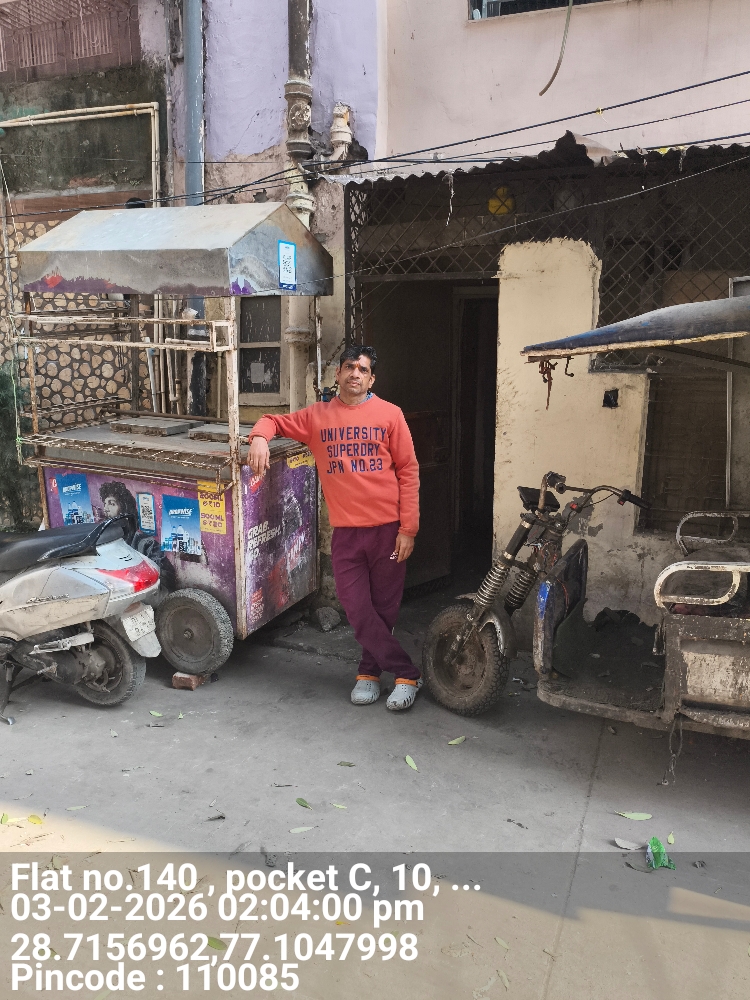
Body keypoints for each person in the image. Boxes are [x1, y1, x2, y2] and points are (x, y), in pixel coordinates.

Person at [248, 346, 421, 710]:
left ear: (371, 379)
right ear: (338, 374)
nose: (355, 373)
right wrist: (260, 438)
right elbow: (272, 420)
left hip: (388, 530)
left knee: (384, 608)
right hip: (346, 533)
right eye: (349, 367)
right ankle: (407, 671)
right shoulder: (318, 416)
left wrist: (408, 528)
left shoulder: (390, 415)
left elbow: (408, 470)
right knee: (355, 607)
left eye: (363, 369)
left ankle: (369, 673)